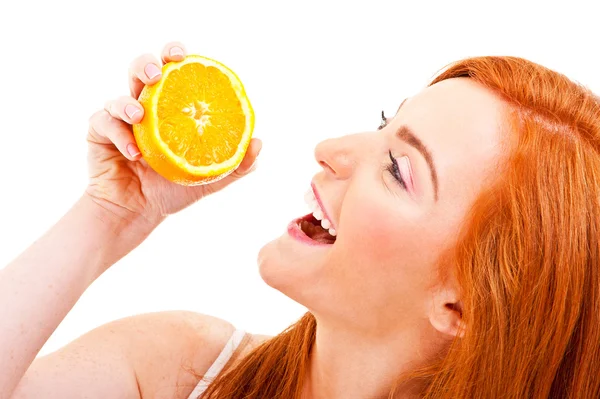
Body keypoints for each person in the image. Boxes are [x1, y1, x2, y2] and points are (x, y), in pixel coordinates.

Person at [1, 41, 599, 399]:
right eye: (385, 118)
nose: (332, 147)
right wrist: (109, 216)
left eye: (397, 167)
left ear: (461, 305)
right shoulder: (180, 370)